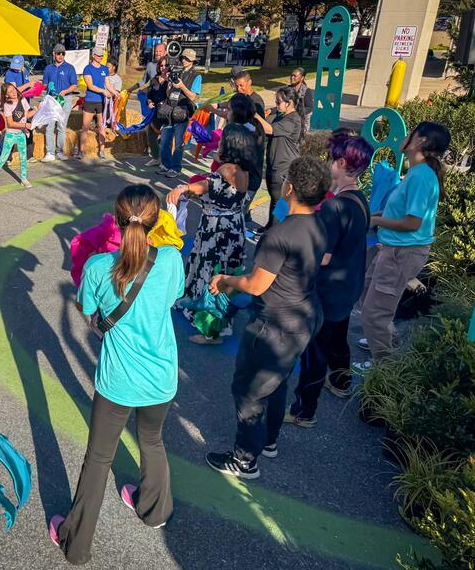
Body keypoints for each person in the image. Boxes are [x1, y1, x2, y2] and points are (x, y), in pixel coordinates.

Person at [48, 185, 184, 565]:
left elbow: (87, 310)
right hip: (161, 376)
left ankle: (75, 541)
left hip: (118, 381)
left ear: (117, 219)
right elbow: (173, 296)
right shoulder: (172, 260)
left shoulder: (97, 268)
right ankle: (154, 510)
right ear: (157, 220)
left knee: (98, 458)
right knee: (152, 441)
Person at [205, 156, 330, 479]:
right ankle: (269, 440)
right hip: (303, 316)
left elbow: (257, 284)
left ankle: (244, 460)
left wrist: (227, 281)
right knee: (277, 382)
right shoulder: (319, 224)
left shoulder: (280, 235)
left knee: (249, 390)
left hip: (274, 324)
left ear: (289, 188)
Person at [285, 133, 373, 424]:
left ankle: (304, 410)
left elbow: (321, 255)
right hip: (347, 287)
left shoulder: (335, 207)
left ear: (342, 162)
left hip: (327, 291)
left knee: (314, 354)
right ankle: (341, 381)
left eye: (331, 160)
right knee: (338, 339)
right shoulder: (359, 199)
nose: (328, 165)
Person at [357, 122, 450, 366]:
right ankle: (383, 338)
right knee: (370, 294)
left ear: (420, 142)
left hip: (401, 252)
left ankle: (383, 366)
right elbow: (403, 212)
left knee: (374, 313)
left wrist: (376, 220)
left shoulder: (421, 176)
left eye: (410, 133)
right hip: (392, 247)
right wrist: (378, 214)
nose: (405, 136)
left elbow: (412, 223)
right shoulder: (417, 171)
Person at [166, 125, 256, 344]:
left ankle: (209, 330)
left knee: (209, 272)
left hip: (216, 231)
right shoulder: (245, 170)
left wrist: (181, 189)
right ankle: (221, 318)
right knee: (226, 272)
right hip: (234, 227)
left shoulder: (227, 170)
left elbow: (203, 187)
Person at [256, 86, 302, 230]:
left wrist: (256, 116)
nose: (276, 104)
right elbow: (273, 115)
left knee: (280, 201)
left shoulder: (293, 120)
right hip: (274, 163)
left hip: (284, 166)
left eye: (278, 102)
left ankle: (274, 232)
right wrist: (271, 111)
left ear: (290, 103)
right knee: (274, 198)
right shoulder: (282, 114)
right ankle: (270, 226)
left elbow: (269, 129)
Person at [156, 49, 202, 177]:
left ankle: (175, 168)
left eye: (187, 59)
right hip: (169, 110)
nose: (184, 60)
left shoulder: (196, 76)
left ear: (192, 60)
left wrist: (181, 86)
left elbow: (193, 97)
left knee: (179, 144)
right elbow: (167, 92)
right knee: (165, 141)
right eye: (183, 58)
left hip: (183, 111)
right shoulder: (176, 72)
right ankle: (165, 165)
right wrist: (169, 85)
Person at [0, 82, 35, 193]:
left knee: (23, 156)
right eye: (10, 92)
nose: (13, 92)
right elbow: (10, 123)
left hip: (21, 134)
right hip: (11, 135)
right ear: (6, 95)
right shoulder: (7, 105)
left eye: (14, 89)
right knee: (3, 157)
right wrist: (25, 125)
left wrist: (37, 110)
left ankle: (24, 178)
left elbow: (26, 115)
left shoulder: (22, 100)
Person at [40, 44, 78, 162]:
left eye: (63, 53)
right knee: (50, 126)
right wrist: (42, 87)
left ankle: (60, 151)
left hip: (65, 99)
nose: (61, 55)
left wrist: (65, 91)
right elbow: (44, 84)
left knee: (61, 126)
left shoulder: (70, 68)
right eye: (58, 53)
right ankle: (50, 153)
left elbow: (74, 85)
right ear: (54, 54)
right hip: (52, 99)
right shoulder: (48, 68)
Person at [77, 47, 110, 159]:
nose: (100, 58)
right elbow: (90, 86)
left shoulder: (105, 69)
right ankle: (81, 151)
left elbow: (108, 84)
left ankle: (102, 150)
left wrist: (115, 93)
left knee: (101, 126)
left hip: (101, 102)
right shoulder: (87, 69)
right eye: (98, 55)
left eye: (101, 56)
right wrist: (103, 91)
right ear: (93, 56)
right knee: (85, 126)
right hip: (90, 100)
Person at [290, 67, 314, 133]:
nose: (292, 77)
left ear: (302, 78)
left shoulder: (306, 91)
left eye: (295, 76)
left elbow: (310, 108)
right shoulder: (288, 89)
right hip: (288, 119)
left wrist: (297, 112)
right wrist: (271, 110)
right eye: (291, 75)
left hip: (301, 122)